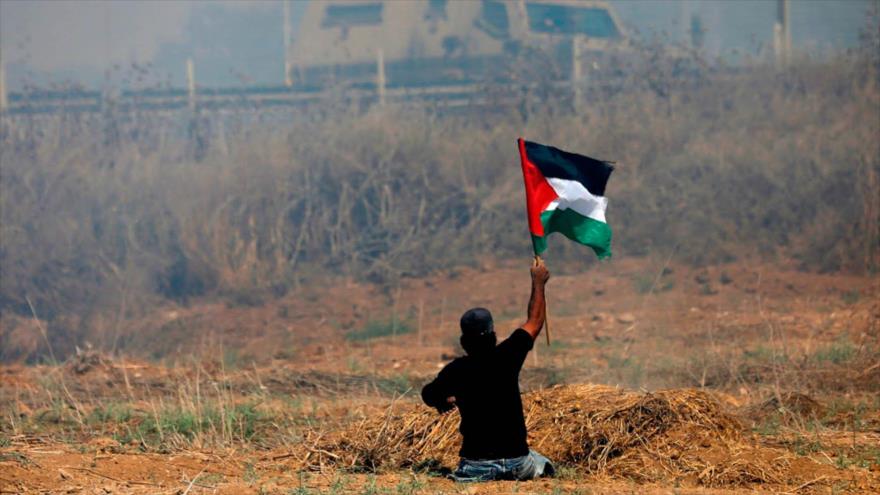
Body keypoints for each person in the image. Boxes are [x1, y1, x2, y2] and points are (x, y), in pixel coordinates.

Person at [421, 257, 554, 482]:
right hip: (517, 464)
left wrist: (444, 401)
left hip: (475, 468)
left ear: (464, 340)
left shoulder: (455, 370)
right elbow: (535, 321)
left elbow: (428, 394)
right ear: (493, 335)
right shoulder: (509, 355)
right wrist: (538, 282)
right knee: (543, 462)